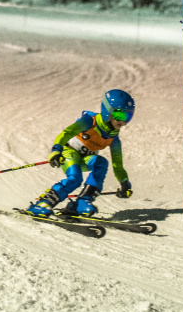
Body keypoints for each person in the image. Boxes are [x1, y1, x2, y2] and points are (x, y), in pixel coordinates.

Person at [27, 89, 135, 217]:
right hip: (69, 152)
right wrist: (56, 151)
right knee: (75, 179)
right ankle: (43, 204)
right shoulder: (89, 121)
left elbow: (118, 165)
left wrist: (124, 183)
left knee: (102, 162)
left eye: (128, 117)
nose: (123, 122)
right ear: (107, 111)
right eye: (119, 116)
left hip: (85, 159)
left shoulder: (114, 138)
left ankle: (82, 201)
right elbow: (67, 133)